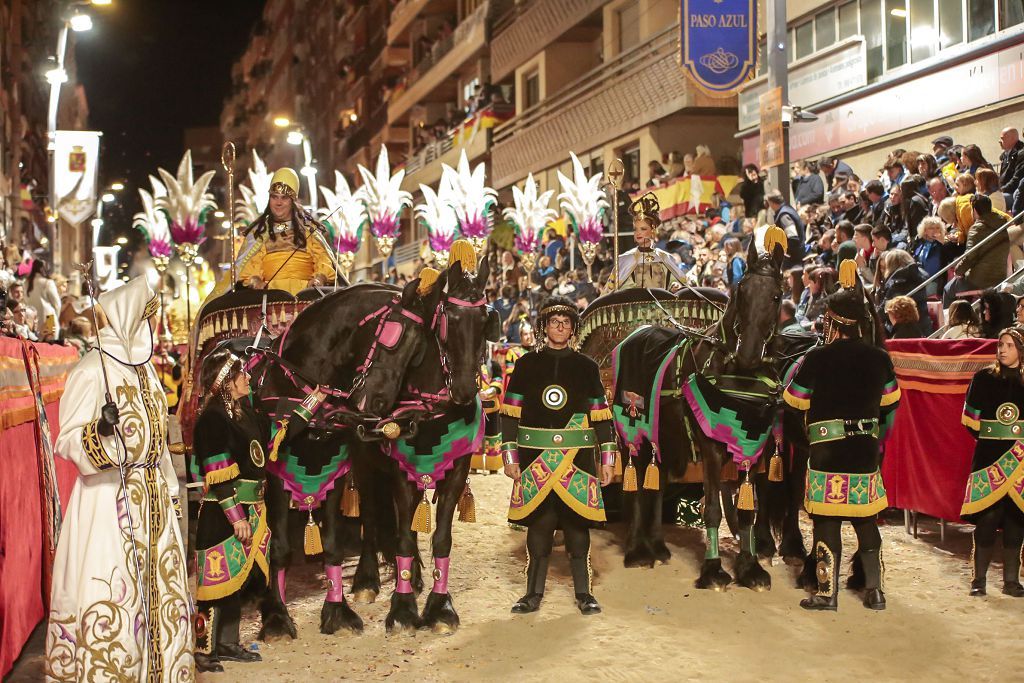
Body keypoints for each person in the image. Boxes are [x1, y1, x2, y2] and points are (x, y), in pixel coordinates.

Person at [44, 276, 193, 681]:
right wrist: (101, 433)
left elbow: (159, 442)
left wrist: (171, 490)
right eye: (148, 316)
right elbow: (68, 440)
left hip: (153, 501)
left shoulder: (146, 375)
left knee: (158, 595)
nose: (153, 325)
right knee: (114, 590)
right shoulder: (92, 370)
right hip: (108, 503)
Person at [783, 260, 900, 611]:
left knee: (827, 521)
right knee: (865, 520)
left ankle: (825, 593)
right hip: (864, 449)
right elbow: (891, 401)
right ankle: (875, 592)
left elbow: (794, 399)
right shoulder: (880, 358)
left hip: (827, 450)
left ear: (834, 321)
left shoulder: (818, 357)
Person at [501, 296, 617, 615]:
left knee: (577, 529)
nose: (560, 327)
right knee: (540, 528)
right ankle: (532, 595)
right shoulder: (526, 365)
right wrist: (509, 457)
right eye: (554, 322)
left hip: (577, 461)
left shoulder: (587, 367)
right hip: (534, 459)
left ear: (573, 329)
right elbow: (509, 414)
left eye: (566, 323)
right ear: (543, 327)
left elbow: (601, 418)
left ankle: (584, 594)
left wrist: (607, 460)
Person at [192, 348, 269, 672]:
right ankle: (203, 650)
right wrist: (236, 517)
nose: (248, 378)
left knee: (234, 582)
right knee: (213, 584)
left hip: (251, 507)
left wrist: (312, 404)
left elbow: (271, 438)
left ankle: (227, 643)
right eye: (242, 374)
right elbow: (217, 471)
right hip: (222, 514)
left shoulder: (242, 412)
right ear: (226, 382)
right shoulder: (212, 418)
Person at [960, 327, 1024, 597]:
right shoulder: (983, 378)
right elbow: (971, 421)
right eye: (1000, 345)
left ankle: (1011, 581)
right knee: (987, 520)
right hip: (989, 459)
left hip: (1022, 461)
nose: (1002, 350)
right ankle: (979, 580)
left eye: (1009, 345)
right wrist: (993, 439)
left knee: (1016, 521)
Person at [238, 167, 335, 295]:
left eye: (284, 198)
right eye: (274, 197)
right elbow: (249, 267)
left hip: (307, 297)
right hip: (270, 299)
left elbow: (323, 260)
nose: (278, 202)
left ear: (293, 201)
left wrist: (319, 278)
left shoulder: (309, 231)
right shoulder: (259, 234)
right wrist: (255, 281)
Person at [945, 194, 1011, 306]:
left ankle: (953, 321)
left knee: (948, 289)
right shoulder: (1002, 224)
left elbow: (970, 257)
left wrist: (958, 271)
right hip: (1001, 276)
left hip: (980, 280)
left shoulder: (977, 228)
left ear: (974, 210)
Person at [616, 193, 686, 290]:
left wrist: (674, 285)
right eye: (635, 229)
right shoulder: (625, 259)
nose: (638, 233)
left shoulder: (665, 258)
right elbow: (613, 291)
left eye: (643, 229)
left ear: (652, 230)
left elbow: (677, 282)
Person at [766, 190, 806, 266]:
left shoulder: (784, 216)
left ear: (771, 202)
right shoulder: (788, 209)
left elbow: (793, 237)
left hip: (793, 259)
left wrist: (783, 251)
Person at [26, 259, 61, 339]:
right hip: (49, 317)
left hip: (32, 318)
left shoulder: (26, 283)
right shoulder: (47, 282)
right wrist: (56, 316)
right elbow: (57, 304)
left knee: (36, 343)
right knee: (50, 343)